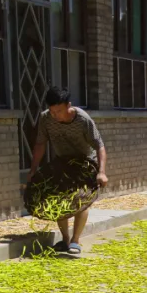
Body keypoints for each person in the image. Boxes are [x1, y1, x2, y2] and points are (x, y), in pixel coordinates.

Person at [27, 87, 108, 254]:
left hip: (86, 163)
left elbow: (99, 146)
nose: (56, 115)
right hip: (63, 162)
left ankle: (75, 240)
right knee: (58, 199)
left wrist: (102, 171)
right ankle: (64, 239)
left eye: (59, 111)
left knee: (81, 201)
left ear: (68, 106)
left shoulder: (82, 119)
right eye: (52, 111)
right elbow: (40, 144)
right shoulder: (46, 118)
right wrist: (33, 169)